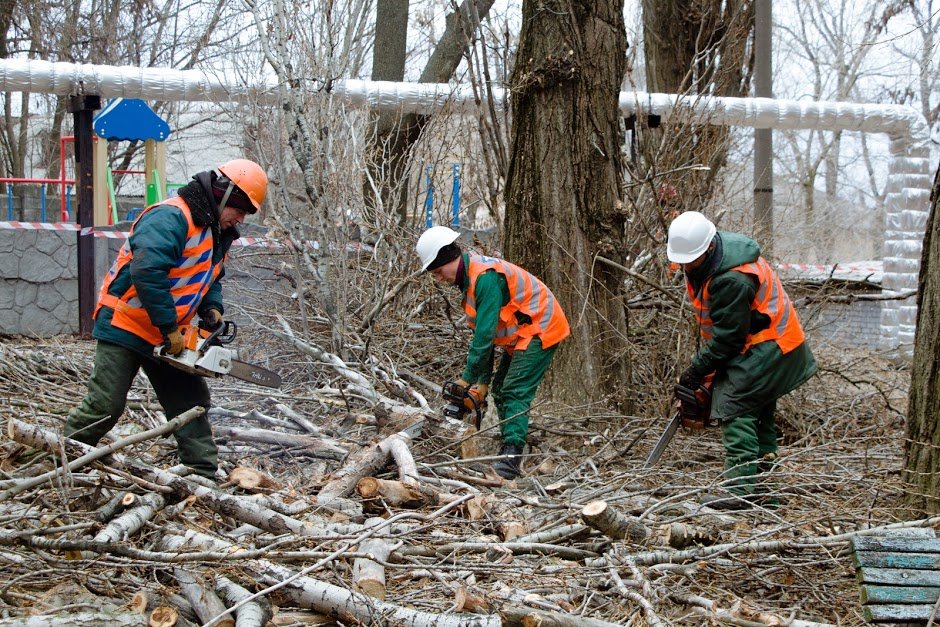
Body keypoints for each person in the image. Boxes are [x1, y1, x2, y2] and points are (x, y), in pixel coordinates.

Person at [63, 159, 268, 479]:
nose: (241, 218)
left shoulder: (217, 233)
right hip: (126, 324)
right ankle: (57, 459)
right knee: (105, 405)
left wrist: (211, 307)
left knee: (192, 402)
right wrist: (169, 327)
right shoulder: (171, 217)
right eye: (240, 209)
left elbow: (211, 277)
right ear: (224, 195)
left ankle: (201, 474)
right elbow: (147, 272)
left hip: (167, 332)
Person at [666, 211, 817, 510]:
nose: (686, 266)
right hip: (763, 343)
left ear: (709, 247)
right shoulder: (704, 256)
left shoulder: (731, 279)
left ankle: (739, 490)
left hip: (770, 345)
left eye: (690, 260)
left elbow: (728, 339)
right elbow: (727, 333)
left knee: (735, 407)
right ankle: (765, 490)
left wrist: (696, 371)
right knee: (759, 416)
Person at [415, 226, 570, 479]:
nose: (439, 279)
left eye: (439, 272)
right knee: (499, 388)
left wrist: (466, 379)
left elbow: (484, 338)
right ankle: (507, 443)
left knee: (514, 390)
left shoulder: (485, 278)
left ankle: (511, 457)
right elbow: (482, 338)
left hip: (541, 326)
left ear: (449, 258)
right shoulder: (469, 284)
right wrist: (482, 383)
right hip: (523, 332)